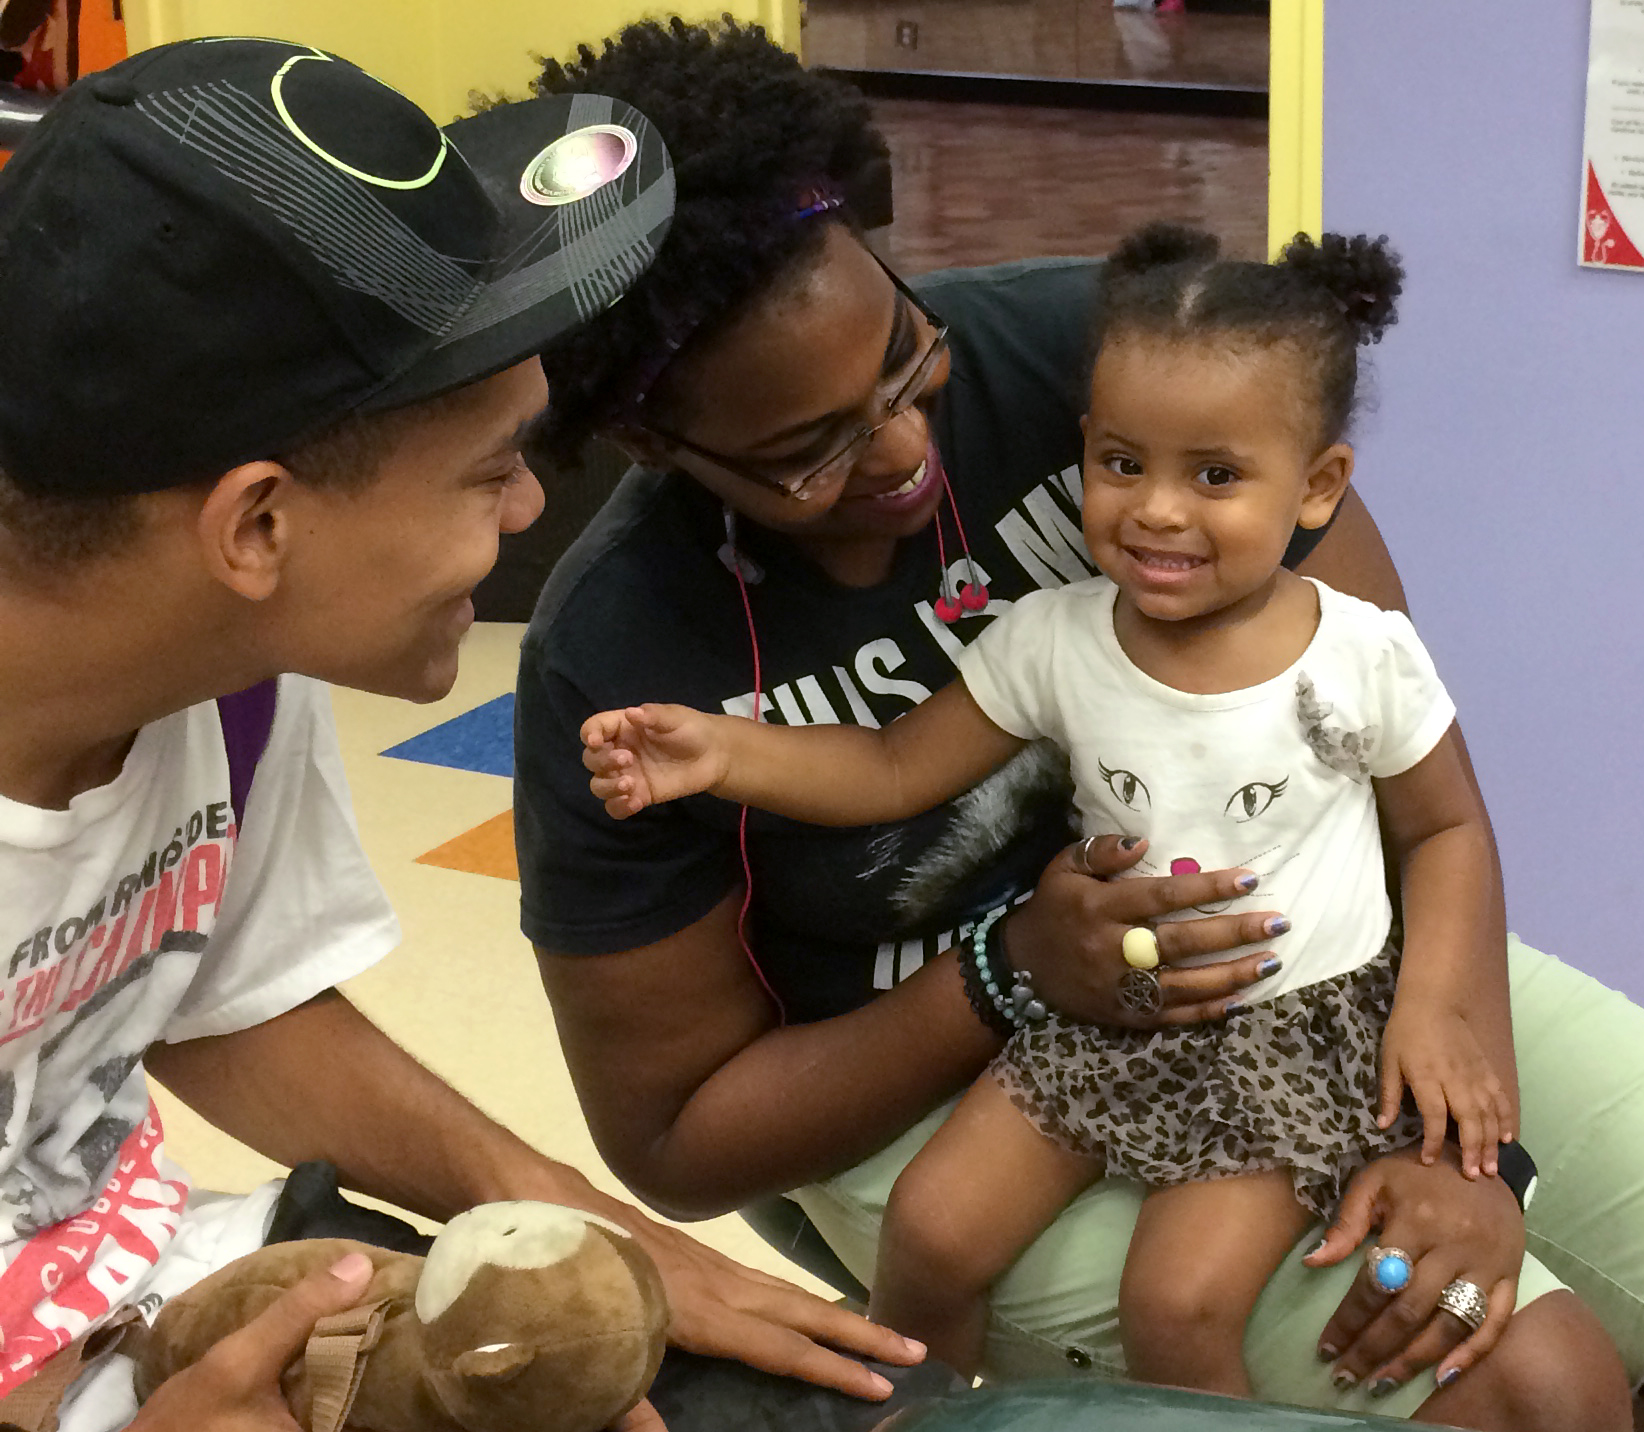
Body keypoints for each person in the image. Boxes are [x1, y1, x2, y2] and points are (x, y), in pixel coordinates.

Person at [512, 18, 1644, 1429]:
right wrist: (1012, 971)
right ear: (654, 442)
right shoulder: (618, 649)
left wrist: (1468, 1147)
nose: (908, 453)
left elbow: (1412, 797)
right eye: (810, 452)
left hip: (1315, 969)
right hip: (931, 1071)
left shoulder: (1113, 370)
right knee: (1525, 1383)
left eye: (904, 360)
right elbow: (678, 1139)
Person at [0, 37, 927, 1432]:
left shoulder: (233, 661)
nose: (520, 521)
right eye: (493, 472)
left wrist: (575, 1224)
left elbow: (217, 994)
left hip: (157, 1287)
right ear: (257, 524)